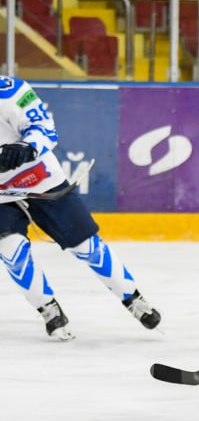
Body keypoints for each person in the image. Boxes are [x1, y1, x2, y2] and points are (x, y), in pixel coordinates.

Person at [0, 76, 161, 340]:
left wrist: (27, 147)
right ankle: (49, 309)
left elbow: (44, 127)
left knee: (86, 246)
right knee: (11, 252)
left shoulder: (8, 91)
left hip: (40, 178)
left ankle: (132, 298)